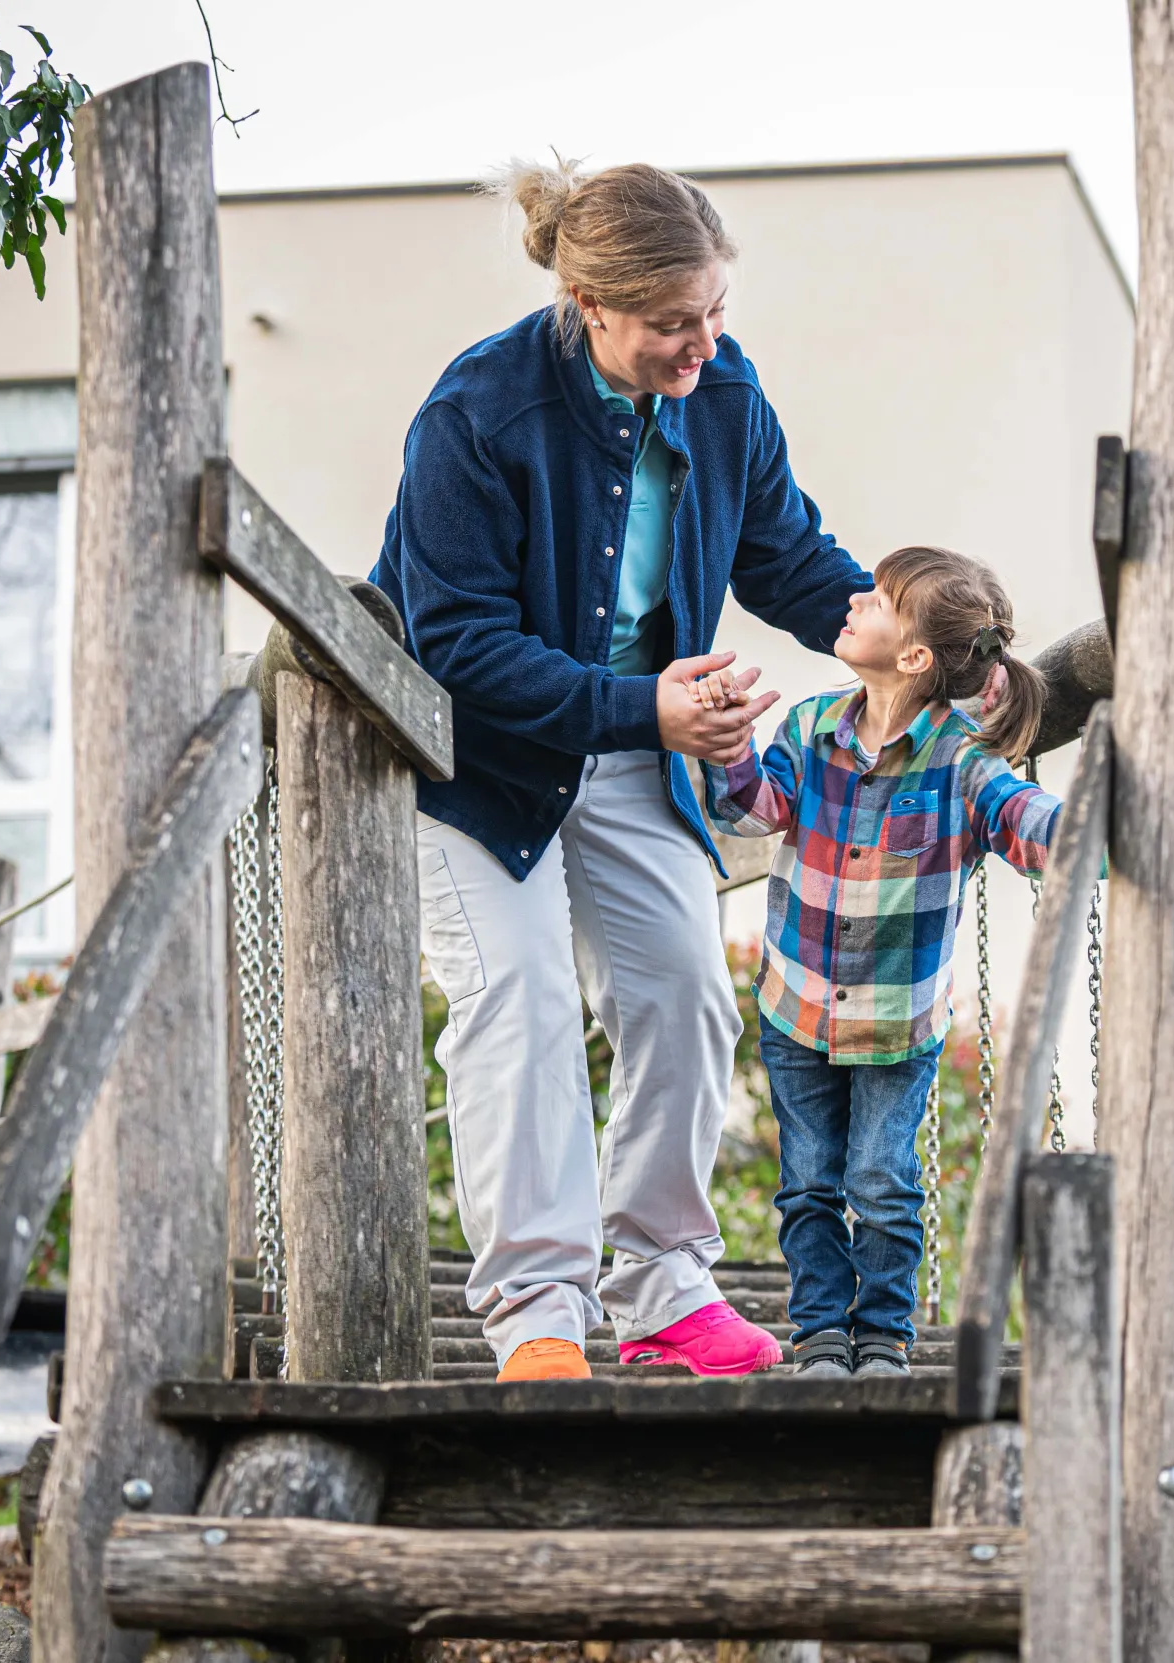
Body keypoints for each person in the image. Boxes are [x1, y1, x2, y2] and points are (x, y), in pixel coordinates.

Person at [369, 156, 872, 1381]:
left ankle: (662, 1289)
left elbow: (787, 555)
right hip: (476, 766)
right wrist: (650, 704)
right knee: (521, 1002)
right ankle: (539, 1311)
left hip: (639, 747)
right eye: (671, 323)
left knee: (685, 993)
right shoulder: (475, 414)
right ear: (588, 304)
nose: (703, 344)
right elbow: (456, 643)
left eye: (715, 312)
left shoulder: (725, 391)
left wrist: (912, 639)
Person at [701, 547, 1060, 1377]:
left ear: (916, 656)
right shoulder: (809, 727)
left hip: (897, 1021)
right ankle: (821, 1330)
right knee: (808, 1181)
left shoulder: (961, 760)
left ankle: (885, 1333)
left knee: (881, 1181)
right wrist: (732, 747)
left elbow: (1023, 817)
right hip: (797, 1005)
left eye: (879, 599)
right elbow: (756, 811)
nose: (855, 599)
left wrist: (1099, 827)